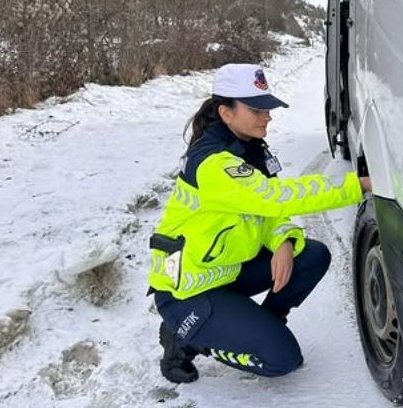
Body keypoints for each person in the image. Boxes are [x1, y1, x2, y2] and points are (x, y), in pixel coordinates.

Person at [148, 63, 372, 383]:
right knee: (282, 359)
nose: (267, 117)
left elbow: (267, 211)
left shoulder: (250, 149)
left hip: (226, 270)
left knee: (311, 255)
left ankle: (261, 323)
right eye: (256, 109)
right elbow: (275, 197)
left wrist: (283, 241)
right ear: (226, 113)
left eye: (268, 108)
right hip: (189, 291)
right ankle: (185, 336)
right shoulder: (213, 162)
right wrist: (358, 185)